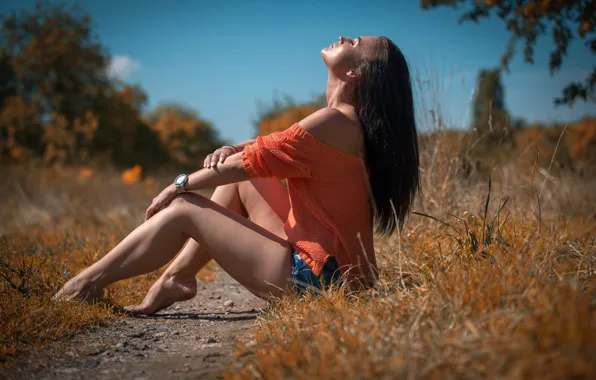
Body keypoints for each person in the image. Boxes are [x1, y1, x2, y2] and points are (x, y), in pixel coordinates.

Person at [54, 35, 420, 315]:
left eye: (353, 43)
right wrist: (233, 150)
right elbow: (261, 151)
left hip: (318, 282)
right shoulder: (342, 123)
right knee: (241, 180)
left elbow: (251, 159)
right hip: (335, 272)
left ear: (353, 73)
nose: (342, 38)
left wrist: (177, 185)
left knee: (185, 209)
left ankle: (85, 284)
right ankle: (177, 278)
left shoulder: (334, 121)